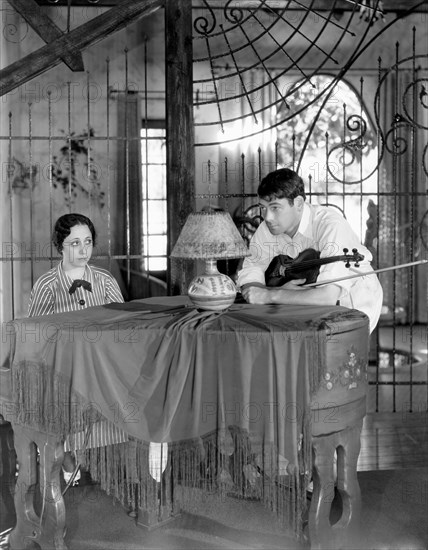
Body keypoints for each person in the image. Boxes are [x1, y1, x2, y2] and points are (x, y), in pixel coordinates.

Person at [28, 213, 124, 485]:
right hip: (63, 370)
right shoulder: (47, 285)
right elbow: (37, 338)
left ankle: (115, 466)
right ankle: (68, 458)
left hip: (102, 366)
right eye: (74, 244)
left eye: (88, 242)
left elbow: (121, 327)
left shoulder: (105, 281)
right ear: (60, 246)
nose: (83, 250)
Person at [237, 168, 383, 333]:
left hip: (352, 302)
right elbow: (251, 271)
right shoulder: (268, 228)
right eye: (263, 208)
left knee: (335, 354)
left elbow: (328, 296)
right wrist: (268, 292)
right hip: (303, 304)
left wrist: (271, 295)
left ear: (298, 204)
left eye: (275, 208)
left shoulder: (329, 224)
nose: (267, 217)